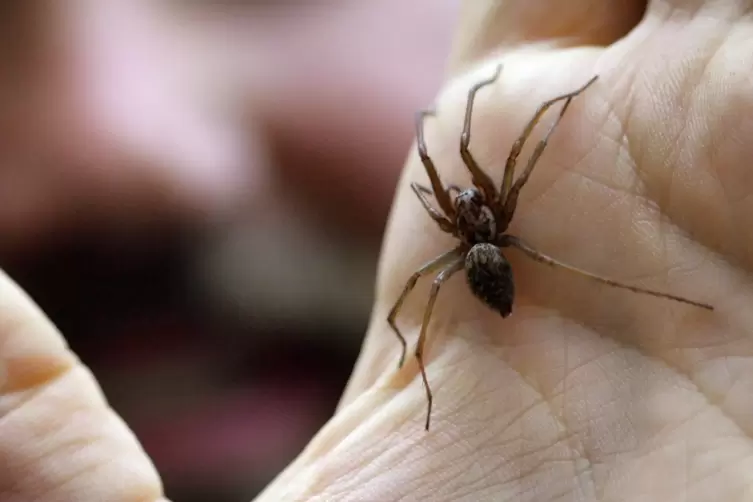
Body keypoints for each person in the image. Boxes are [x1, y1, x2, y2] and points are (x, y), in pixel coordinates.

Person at [2, 0, 752, 500]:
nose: (127, 147)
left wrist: (550, 109)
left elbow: (506, 156)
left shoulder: (482, 219)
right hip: (484, 264)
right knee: (420, 294)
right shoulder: (461, 236)